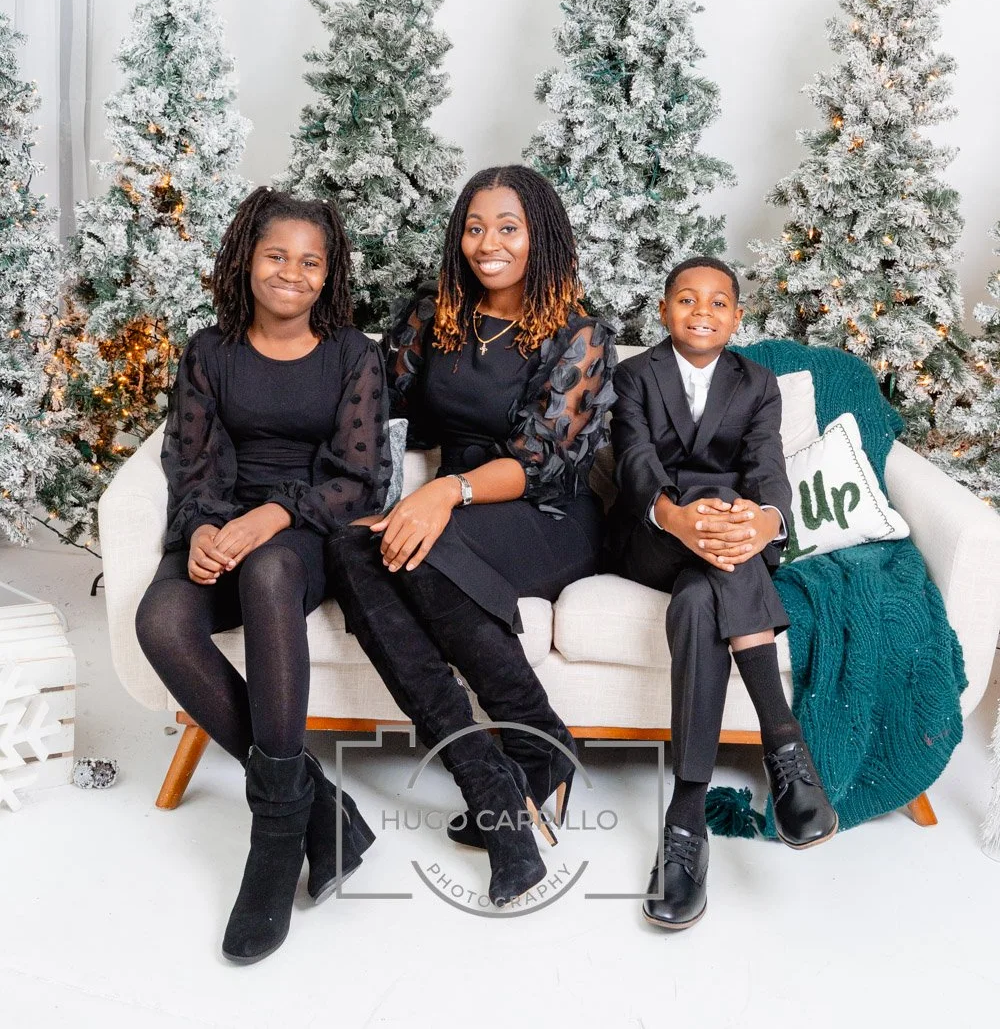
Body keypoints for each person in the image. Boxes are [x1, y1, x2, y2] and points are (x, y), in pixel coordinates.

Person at [324, 164, 615, 909]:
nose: (489, 243)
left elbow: (541, 459)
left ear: (540, 237)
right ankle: (496, 776)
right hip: (450, 509)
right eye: (476, 227)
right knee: (354, 546)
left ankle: (534, 749)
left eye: (508, 228)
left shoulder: (578, 334)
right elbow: (368, 401)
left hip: (546, 516)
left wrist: (442, 495)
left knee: (421, 548)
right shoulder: (434, 316)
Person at [135, 187, 390, 965]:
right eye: (277, 255)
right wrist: (207, 527)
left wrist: (268, 519)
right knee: (162, 622)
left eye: (310, 262)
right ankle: (323, 811)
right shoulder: (210, 352)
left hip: (307, 533)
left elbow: (359, 478)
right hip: (226, 522)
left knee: (271, 571)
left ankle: (276, 838)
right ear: (248, 260)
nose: (292, 272)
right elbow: (191, 462)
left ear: (329, 274)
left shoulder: (355, 355)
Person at [606, 256, 837, 931]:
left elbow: (766, 465)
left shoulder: (758, 382)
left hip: (731, 544)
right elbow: (635, 459)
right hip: (655, 535)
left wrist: (765, 519)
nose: (701, 311)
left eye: (717, 302)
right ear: (664, 310)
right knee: (710, 503)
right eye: (686, 299)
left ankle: (685, 818)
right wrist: (679, 514)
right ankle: (786, 749)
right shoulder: (635, 375)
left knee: (702, 600)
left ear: (738, 317)